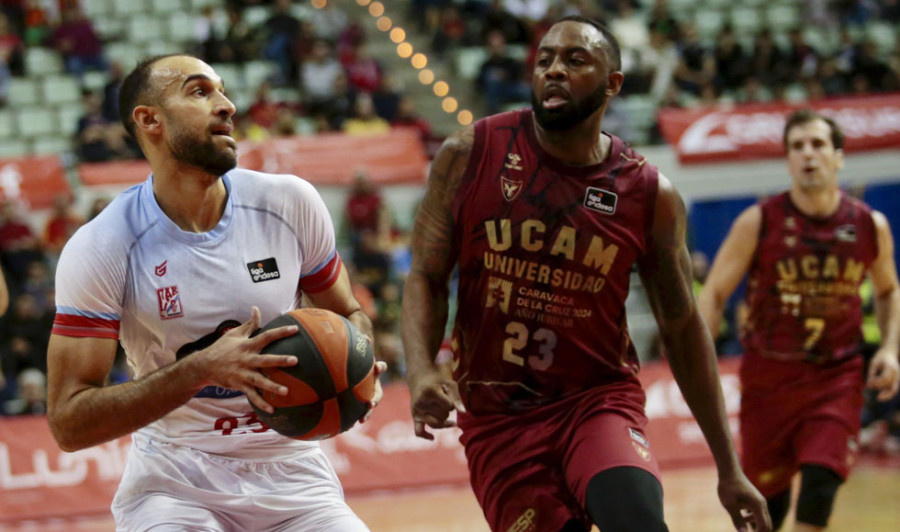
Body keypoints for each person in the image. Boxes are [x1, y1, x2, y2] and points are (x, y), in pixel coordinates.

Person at [401, 16, 770, 532]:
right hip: (499, 419)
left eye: (575, 60)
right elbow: (425, 276)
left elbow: (683, 328)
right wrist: (420, 371)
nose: (554, 70)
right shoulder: (470, 154)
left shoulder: (647, 193)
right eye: (545, 59)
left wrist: (729, 469)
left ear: (612, 84)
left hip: (595, 402)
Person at [46, 55, 384, 532]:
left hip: (293, 475)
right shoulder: (103, 245)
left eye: (223, 90)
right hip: (174, 480)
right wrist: (200, 370)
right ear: (149, 120)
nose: (226, 105)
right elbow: (69, 422)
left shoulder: (290, 202)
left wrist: (359, 361)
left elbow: (348, 312)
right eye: (200, 92)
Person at [697, 108, 900, 532]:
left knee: (821, 484)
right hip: (768, 380)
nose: (808, 154)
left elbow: (888, 290)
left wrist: (890, 348)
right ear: (788, 159)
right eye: (798, 147)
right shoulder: (759, 221)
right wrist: (699, 359)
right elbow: (714, 293)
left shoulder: (868, 224)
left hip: (835, 377)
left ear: (838, 156)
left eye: (818, 144)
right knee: (766, 511)